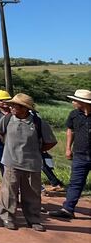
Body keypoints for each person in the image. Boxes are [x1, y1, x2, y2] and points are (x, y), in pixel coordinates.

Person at [0, 93, 57, 231]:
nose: (11, 107)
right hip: (11, 162)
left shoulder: (38, 123)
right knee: (9, 192)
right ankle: (7, 218)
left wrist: (37, 150)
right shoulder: (6, 119)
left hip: (32, 163)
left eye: (14, 105)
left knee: (32, 193)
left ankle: (33, 219)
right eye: (11, 105)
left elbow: (51, 141)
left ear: (24, 108)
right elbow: (0, 133)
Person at [49, 89, 91, 220]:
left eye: (75, 100)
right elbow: (70, 131)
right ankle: (68, 209)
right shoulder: (74, 114)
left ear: (82, 102)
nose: (73, 102)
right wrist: (68, 148)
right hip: (80, 154)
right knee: (75, 183)